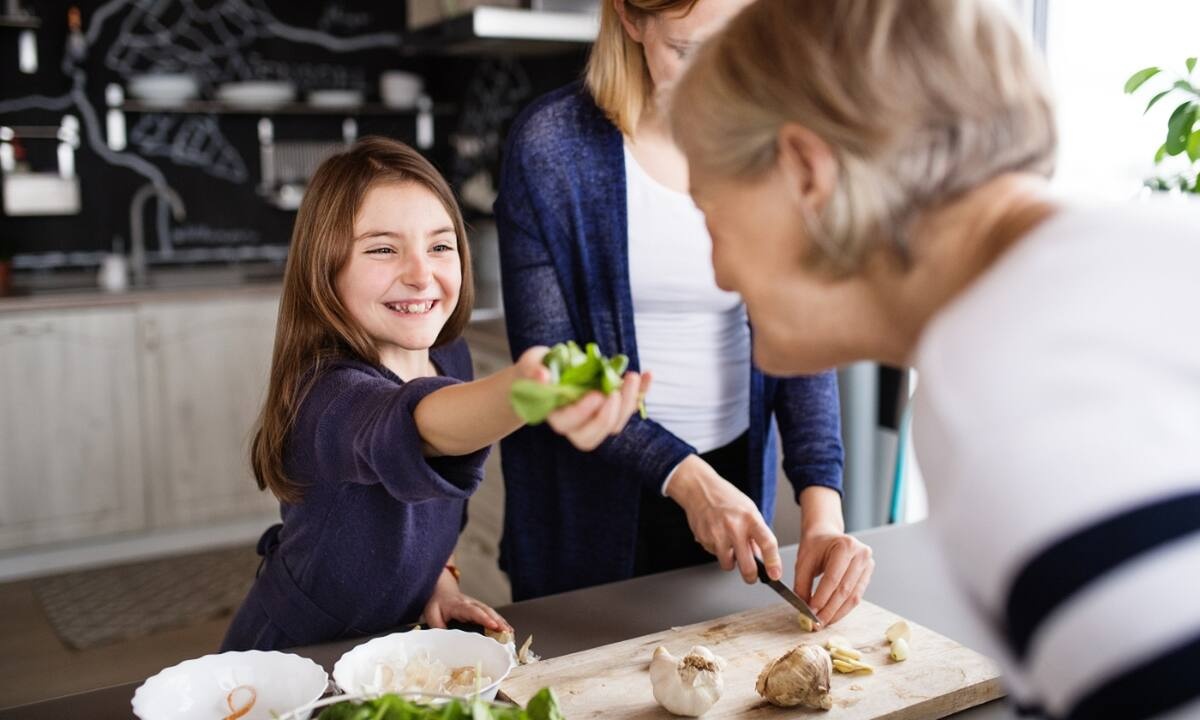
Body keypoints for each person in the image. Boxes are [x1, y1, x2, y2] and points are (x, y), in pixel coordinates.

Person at [670, 0, 1200, 717]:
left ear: (805, 172)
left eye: (712, 214)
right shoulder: (1126, 261)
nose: (721, 272)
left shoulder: (1011, 390)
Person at [494, 0, 873, 625]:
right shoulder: (551, 148)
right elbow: (553, 365)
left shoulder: (781, 139)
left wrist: (822, 514)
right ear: (631, 19)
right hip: (590, 501)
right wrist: (686, 479)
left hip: (732, 477)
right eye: (688, 52)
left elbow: (799, 335)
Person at [222, 137, 648, 652]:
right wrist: (525, 390)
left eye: (440, 246)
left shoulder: (452, 359)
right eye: (383, 248)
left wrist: (439, 581)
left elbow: (427, 516)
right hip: (298, 653)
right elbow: (415, 424)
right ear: (324, 267)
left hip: (393, 646)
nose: (421, 274)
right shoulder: (325, 393)